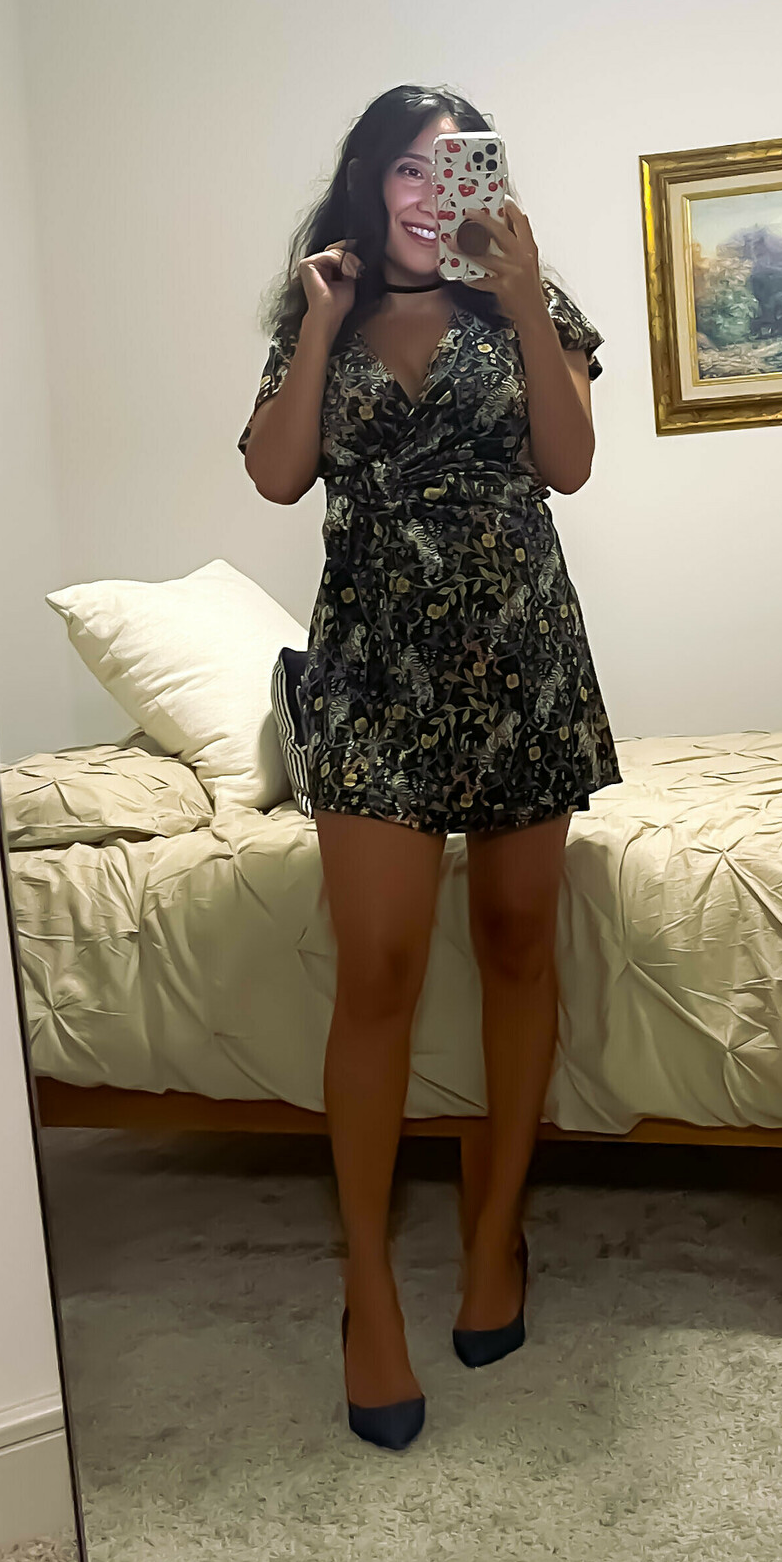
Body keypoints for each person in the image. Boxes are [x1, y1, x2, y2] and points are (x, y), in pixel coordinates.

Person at [239, 84, 620, 1450]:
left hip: (520, 656)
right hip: (370, 675)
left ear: (487, 183)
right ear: (367, 181)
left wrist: (520, 301)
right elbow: (277, 477)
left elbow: (568, 466)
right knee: (380, 968)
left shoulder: (531, 304)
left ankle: (497, 1233)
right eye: (406, 166)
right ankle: (366, 1290)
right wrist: (320, 321)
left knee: (516, 941)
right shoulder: (319, 316)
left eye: (457, 166)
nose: (429, 190)